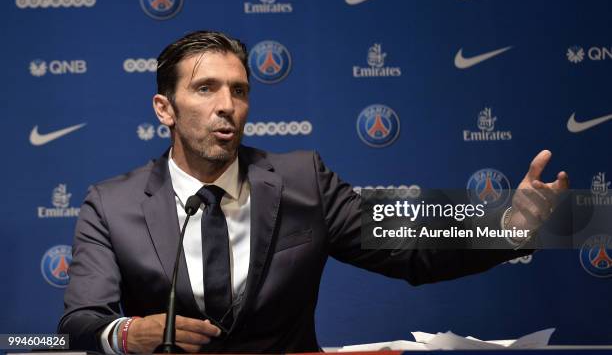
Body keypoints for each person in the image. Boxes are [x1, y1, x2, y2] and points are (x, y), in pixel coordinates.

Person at [58, 31, 569, 354]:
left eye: (239, 90)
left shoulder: (303, 180)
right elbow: (81, 321)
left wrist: (509, 226)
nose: (227, 106)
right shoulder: (112, 203)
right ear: (164, 109)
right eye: (205, 88)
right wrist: (127, 335)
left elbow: (411, 244)